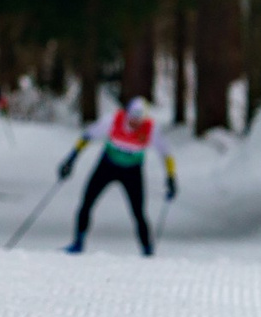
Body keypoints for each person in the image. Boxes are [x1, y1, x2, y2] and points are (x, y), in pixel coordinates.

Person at [60, 93, 176, 256]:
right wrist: (71, 159)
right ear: (127, 113)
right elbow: (87, 136)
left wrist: (171, 177)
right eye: (132, 117)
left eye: (139, 119)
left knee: (138, 212)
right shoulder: (112, 120)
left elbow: (166, 153)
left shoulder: (151, 128)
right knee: (87, 202)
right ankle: (78, 242)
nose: (135, 122)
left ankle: (147, 249)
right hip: (107, 165)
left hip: (132, 170)